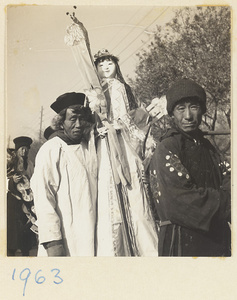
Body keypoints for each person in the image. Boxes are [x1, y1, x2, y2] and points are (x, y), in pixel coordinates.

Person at [87, 49, 158, 256]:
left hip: (123, 144)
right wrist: (96, 130)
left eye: (109, 62)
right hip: (104, 144)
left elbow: (135, 115)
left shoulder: (122, 87)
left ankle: (144, 248)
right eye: (101, 64)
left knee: (132, 189)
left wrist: (119, 125)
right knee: (107, 190)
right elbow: (92, 121)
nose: (106, 67)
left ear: (116, 65)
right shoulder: (93, 92)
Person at [148, 79, 231, 256]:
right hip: (182, 242)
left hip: (218, 241)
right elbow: (180, 200)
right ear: (171, 114)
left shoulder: (209, 148)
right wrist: (227, 201)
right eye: (180, 109)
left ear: (202, 110)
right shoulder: (168, 147)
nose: (188, 115)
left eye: (194, 107)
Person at [30, 92, 97, 256]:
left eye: (82, 119)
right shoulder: (51, 150)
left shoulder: (89, 148)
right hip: (64, 241)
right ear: (61, 122)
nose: (79, 124)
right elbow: (44, 198)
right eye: (73, 119)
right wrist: (53, 242)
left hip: (91, 237)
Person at [7, 136, 37, 256]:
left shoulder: (29, 164)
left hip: (27, 200)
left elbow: (33, 178)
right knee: (13, 232)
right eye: (21, 149)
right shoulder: (10, 164)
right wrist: (12, 180)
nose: (24, 152)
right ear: (17, 150)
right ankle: (11, 253)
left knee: (26, 231)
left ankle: (26, 252)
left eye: (26, 149)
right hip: (13, 202)